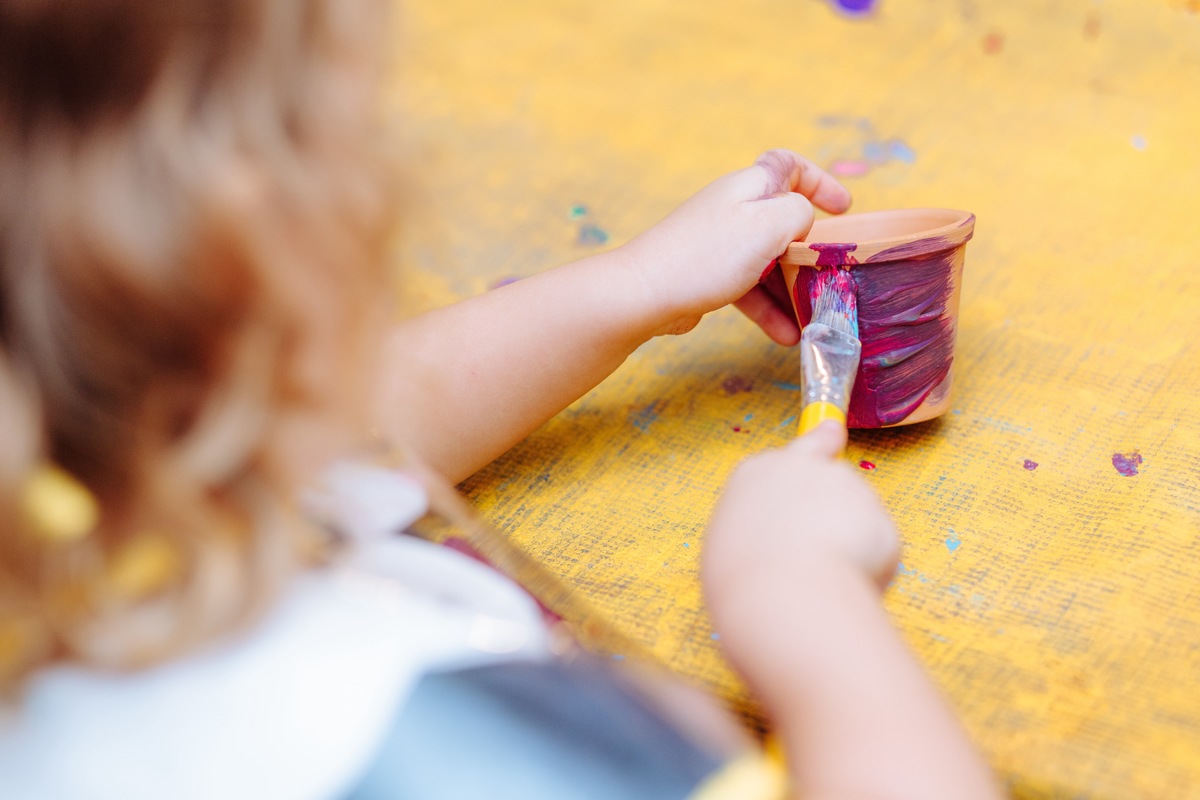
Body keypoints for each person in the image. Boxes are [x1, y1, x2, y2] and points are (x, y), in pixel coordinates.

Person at [0, 0, 1001, 798]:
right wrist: (798, 598)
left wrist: (633, 286)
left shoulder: (78, 495)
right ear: (254, 247)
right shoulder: (468, 745)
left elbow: (328, 432)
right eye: (358, 134)